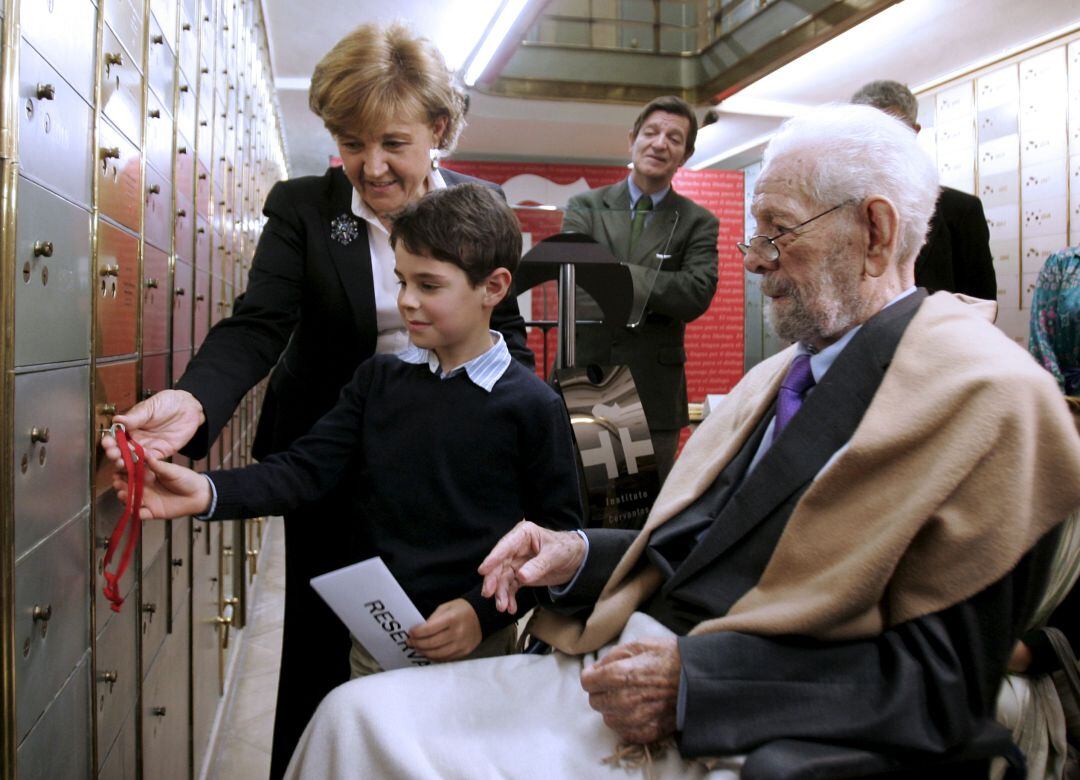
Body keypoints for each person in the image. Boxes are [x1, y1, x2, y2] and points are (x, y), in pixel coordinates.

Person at [281, 104, 1080, 780]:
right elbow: (720, 549)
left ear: (874, 230)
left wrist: (694, 686)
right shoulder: (781, 377)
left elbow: (946, 683)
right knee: (348, 717)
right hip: (630, 656)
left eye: (775, 231)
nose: (755, 261)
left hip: (728, 705)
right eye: (753, 232)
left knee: (367, 729)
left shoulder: (986, 399)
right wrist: (577, 552)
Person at [100, 23, 532, 777]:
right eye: (350, 141)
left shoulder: (481, 206)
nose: (371, 166)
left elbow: (511, 345)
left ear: (437, 130)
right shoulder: (305, 208)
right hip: (328, 458)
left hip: (447, 458)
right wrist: (195, 402)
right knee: (318, 652)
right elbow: (259, 326)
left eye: (393, 143)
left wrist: (516, 436)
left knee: (441, 638)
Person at [111, 183, 582, 676]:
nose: (407, 302)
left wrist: (479, 615)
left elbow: (556, 545)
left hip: (477, 656)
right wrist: (205, 492)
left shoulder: (533, 406)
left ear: (494, 287)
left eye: (429, 285)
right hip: (376, 645)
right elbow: (303, 470)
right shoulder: (378, 381)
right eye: (401, 282)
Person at [562, 95, 719, 483]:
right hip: (588, 374)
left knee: (636, 513)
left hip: (653, 388)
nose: (660, 143)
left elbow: (696, 293)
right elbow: (578, 274)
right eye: (651, 132)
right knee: (578, 503)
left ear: (685, 154)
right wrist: (655, 283)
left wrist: (616, 273)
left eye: (674, 137)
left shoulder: (698, 222)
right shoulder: (585, 206)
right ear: (632, 139)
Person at [852, 79, 997, 300]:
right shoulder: (842, 210)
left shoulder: (959, 210)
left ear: (913, 132)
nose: (880, 142)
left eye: (892, 130)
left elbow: (981, 303)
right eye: (868, 132)